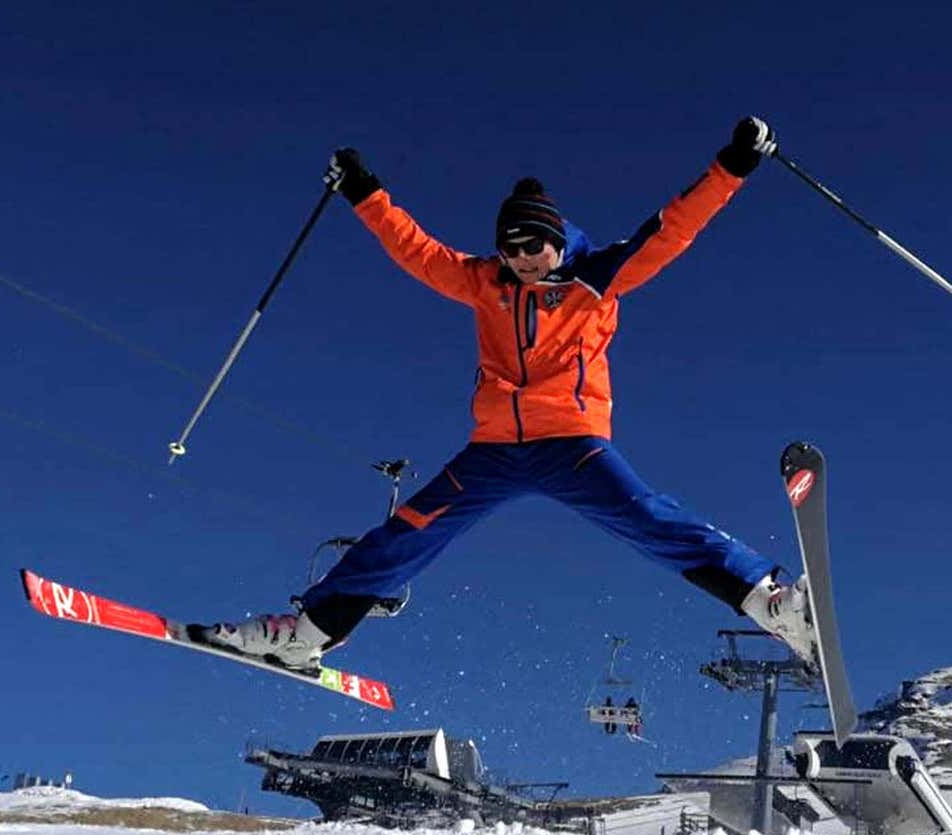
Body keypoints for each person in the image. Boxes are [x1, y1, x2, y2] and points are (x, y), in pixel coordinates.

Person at [194, 117, 814, 672]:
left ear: (555, 238)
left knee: (648, 517)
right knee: (407, 531)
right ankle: (309, 632)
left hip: (571, 443)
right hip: (493, 452)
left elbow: (672, 229)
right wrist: (364, 192)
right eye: (510, 248)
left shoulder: (597, 279)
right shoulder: (484, 281)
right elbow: (415, 249)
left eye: (532, 246)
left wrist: (732, 166)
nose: (521, 259)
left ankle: (769, 601)